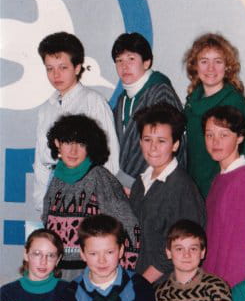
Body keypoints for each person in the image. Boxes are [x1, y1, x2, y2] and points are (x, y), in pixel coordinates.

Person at [41, 114, 140, 280]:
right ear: (57, 144)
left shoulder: (100, 177)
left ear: (90, 147)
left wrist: (123, 276)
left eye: (81, 144)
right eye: (68, 142)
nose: (73, 151)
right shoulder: (56, 178)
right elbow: (47, 223)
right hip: (57, 271)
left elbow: (129, 226)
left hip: (92, 273)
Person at [33, 32, 119, 214]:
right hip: (53, 190)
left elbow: (110, 157)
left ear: (77, 67)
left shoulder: (93, 102)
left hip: (86, 192)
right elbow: (41, 161)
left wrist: (103, 203)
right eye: (50, 68)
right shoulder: (46, 109)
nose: (56, 74)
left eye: (63, 67)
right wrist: (42, 203)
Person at [129, 103, 205, 285]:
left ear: (175, 145)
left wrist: (140, 284)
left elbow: (182, 247)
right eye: (147, 140)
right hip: (136, 279)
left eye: (161, 141)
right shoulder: (140, 182)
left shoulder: (182, 188)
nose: (153, 148)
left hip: (167, 287)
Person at [111, 32, 185, 190]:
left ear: (146, 62)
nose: (124, 66)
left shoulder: (161, 93)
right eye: (119, 60)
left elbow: (163, 146)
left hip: (160, 186)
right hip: (131, 186)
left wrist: (127, 183)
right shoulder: (123, 99)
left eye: (131, 59)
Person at [202, 106, 245, 287]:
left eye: (224, 135)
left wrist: (226, 292)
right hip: (213, 282)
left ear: (239, 137)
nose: (215, 142)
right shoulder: (221, 177)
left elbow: (243, 248)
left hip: (230, 287)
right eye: (209, 135)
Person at [183, 33, 245, 197]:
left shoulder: (233, 101)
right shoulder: (192, 101)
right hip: (194, 186)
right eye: (204, 61)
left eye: (218, 61)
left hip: (223, 187)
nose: (211, 68)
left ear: (227, 67)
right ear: (195, 66)